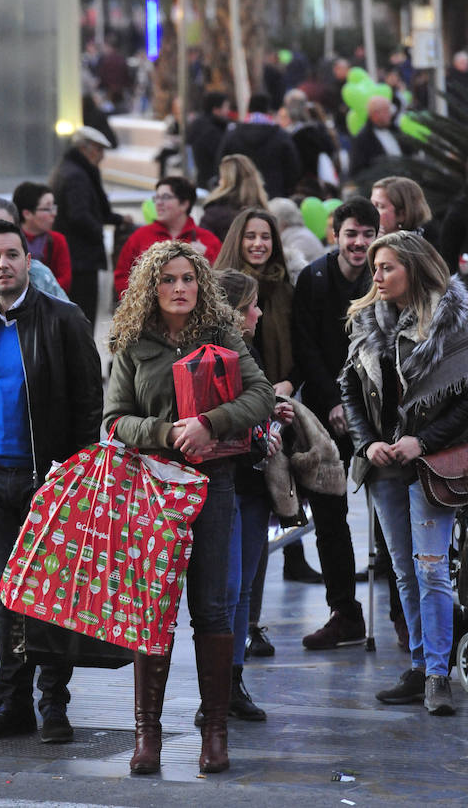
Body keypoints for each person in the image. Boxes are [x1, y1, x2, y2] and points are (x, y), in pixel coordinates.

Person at [104, 240, 274, 775]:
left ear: (200, 283)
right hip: (153, 485)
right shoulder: (133, 343)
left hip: (213, 484)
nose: (179, 288)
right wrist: (162, 431)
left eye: (187, 278)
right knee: (152, 610)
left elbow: (261, 395)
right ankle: (146, 736)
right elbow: (112, 420)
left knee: (212, 608)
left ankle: (215, 733)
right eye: (168, 279)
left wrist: (210, 423)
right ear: (150, 288)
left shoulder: (221, 333)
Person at [0, 219, 103, 742]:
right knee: (3, 594)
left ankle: (53, 704)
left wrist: (79, 471)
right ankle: (13, 702)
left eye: (12, 254)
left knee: (52, 591)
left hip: (52, 479)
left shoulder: (64, 319)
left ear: (28, 260)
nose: (3, 264)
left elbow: (90, 401)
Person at [340, 232, 468, 715]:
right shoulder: (365, 320)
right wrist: (366, 442)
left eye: (388, 267)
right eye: (375, 267)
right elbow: (349, 388)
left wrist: (424, 440)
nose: (377, 276)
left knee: (432, 569)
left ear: (414, 268)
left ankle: (439, 675)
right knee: (404, 572)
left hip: (434, 464)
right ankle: (420, 666)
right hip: (385, 464)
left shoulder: (455, 322)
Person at [293, 198, 392, 650]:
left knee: (390, 510)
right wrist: (333, 401)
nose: (359, 243)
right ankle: (344, 612)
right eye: (351, 233)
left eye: (367, 234)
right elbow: (305, 346)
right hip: (323, 413)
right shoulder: (313, 279)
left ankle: (400, 612)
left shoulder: (388, 276)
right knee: (329, 514)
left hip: (379, 412)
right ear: (336, 234)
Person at [215, 208, 321, 588]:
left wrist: (288, 385)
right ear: (236, 240)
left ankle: (290, 560)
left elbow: (303, 345)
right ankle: (247, 622)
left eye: (266, 236)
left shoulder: (286, 287)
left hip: (279, 403)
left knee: (276, 498)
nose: (258, 244)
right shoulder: (218, 288)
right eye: (250, 236)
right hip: (236, 415)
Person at [214, 269, 294, 720]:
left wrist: (272, 417)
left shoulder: (250, 351)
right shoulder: (215, 355)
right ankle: (216, 688)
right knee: (224, 592)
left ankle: (232, 682)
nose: (259, 312)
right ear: (232, 311)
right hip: (227, 484)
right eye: (252, 306)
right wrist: (257, 433)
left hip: (254, 486)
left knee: (242, 588)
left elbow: (255, 406)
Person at [50, 125, 123, 327]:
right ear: (86, 148)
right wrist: (99, 232)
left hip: (76, 257)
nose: (101, 156)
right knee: (83, 317)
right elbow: (79, 215)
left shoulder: (70, 170)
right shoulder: (77, 176)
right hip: (81, 259)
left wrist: (115, 219)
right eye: (99, 149)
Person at [114, 176, 222, 300]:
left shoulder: (207, 240)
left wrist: (207, 258)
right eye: (157, 198)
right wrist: (136, 303)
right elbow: (122, 276)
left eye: (165, 197)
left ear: (184, 204)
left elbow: (222, 280)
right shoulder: (140, 236)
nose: (158, 203)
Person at [218, 93, 302, 198]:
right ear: (268, 110)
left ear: (248, 109)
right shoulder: (281, 136)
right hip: (274, 195)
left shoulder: (232, 135)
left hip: (239, 196)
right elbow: (293, 169)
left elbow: (222, 164)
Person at [13, 182, 72, 294]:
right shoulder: (10, 240)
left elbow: (65, 280)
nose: (53, 214)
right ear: (27, 213)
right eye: (47, 209)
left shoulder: (57, 240)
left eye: (53, 207)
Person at [199, 153, 270, 243]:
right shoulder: (264, 212)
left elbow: (204, 245)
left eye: (221, 177)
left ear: (226, 181)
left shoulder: (214, 213)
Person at [371, 176, 437, 246]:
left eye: (380, 206)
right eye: (371, 204)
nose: (370, 211)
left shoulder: (409, 248)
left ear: (402, 215)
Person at [349, 96, 403, 178]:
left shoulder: (396, 131)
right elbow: (358, 171)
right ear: (375, 114)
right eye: (386, 111)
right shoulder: (363, 139)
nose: (390, 114)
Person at [186, 91, 231, 189]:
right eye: (226, 107)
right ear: (216, 110)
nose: (228, 111)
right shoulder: (211, 131)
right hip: (211, 182)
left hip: (202, 180)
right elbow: (220, 156)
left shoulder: (199, 125)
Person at [268, 197, 325, 265]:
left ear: (281, 221)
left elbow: (290, 265)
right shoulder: (297, 233)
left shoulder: (300, 238)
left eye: (271, 220)